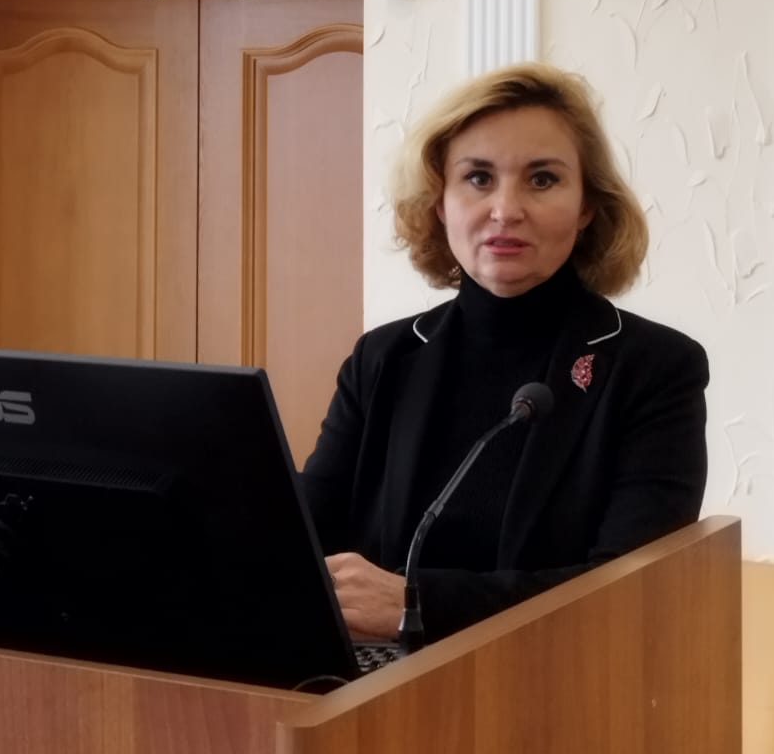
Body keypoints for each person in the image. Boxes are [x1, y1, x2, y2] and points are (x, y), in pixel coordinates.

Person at [301, 62, 708, 645]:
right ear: (439, 202)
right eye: (478, 177)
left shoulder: (655, 368)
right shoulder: (383, 358)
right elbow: (305, 536)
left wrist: (417, 604)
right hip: (373, 682)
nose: (505, 209)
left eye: (542, 179)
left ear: (587, 206)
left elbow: (628, 589)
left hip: (557, 680)